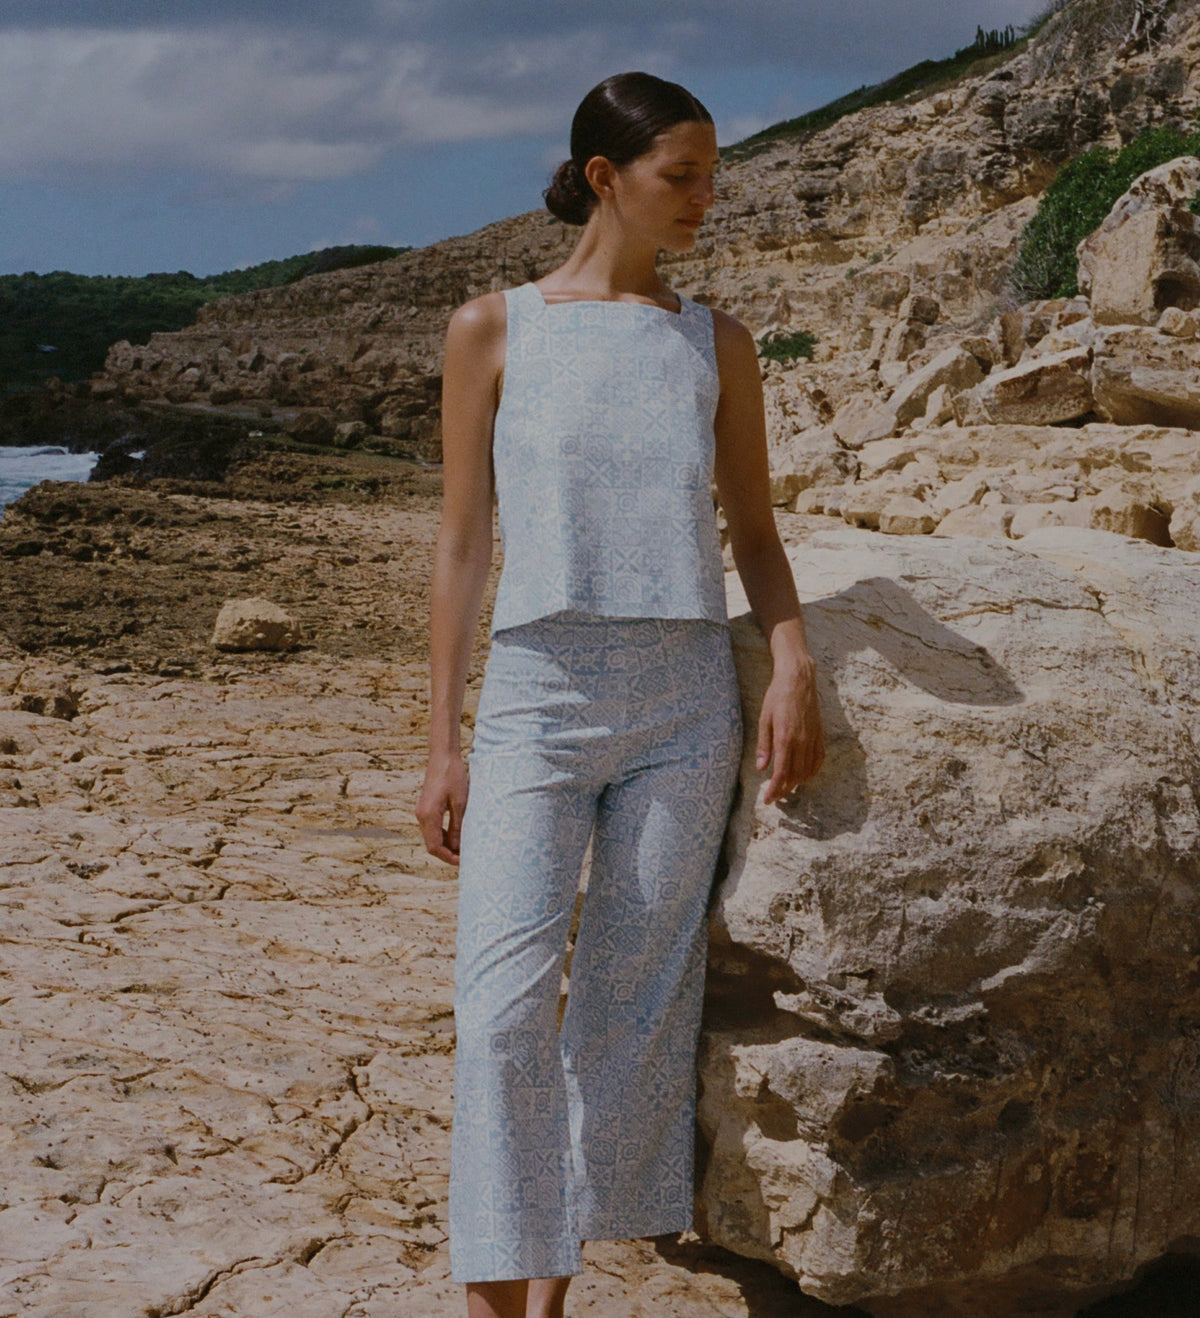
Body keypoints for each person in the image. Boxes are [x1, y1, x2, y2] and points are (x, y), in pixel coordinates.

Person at [416, 70, 825, 1318]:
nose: (707, 199)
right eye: (682, 175)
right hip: (539, 690)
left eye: (713, 176)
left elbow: (752, 533)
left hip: (683, 698)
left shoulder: (717, 342)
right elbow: (464, 543)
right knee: (497, 1015)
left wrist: (795, 658)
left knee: (628, 1013)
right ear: (606, 178)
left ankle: (550, 1293)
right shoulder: (493, 327)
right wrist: (443, 740)